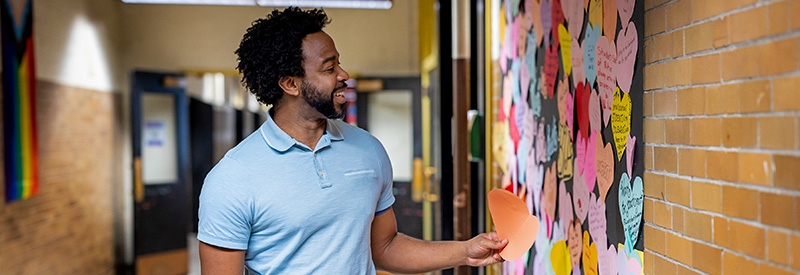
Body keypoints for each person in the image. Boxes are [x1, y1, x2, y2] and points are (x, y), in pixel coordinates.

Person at [198, 7, 507, 274]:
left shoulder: (368, 150)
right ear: (291, 83)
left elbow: (384, 247)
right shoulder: (233, 178)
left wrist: (465, 251)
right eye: (329, 68)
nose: (343, 74)